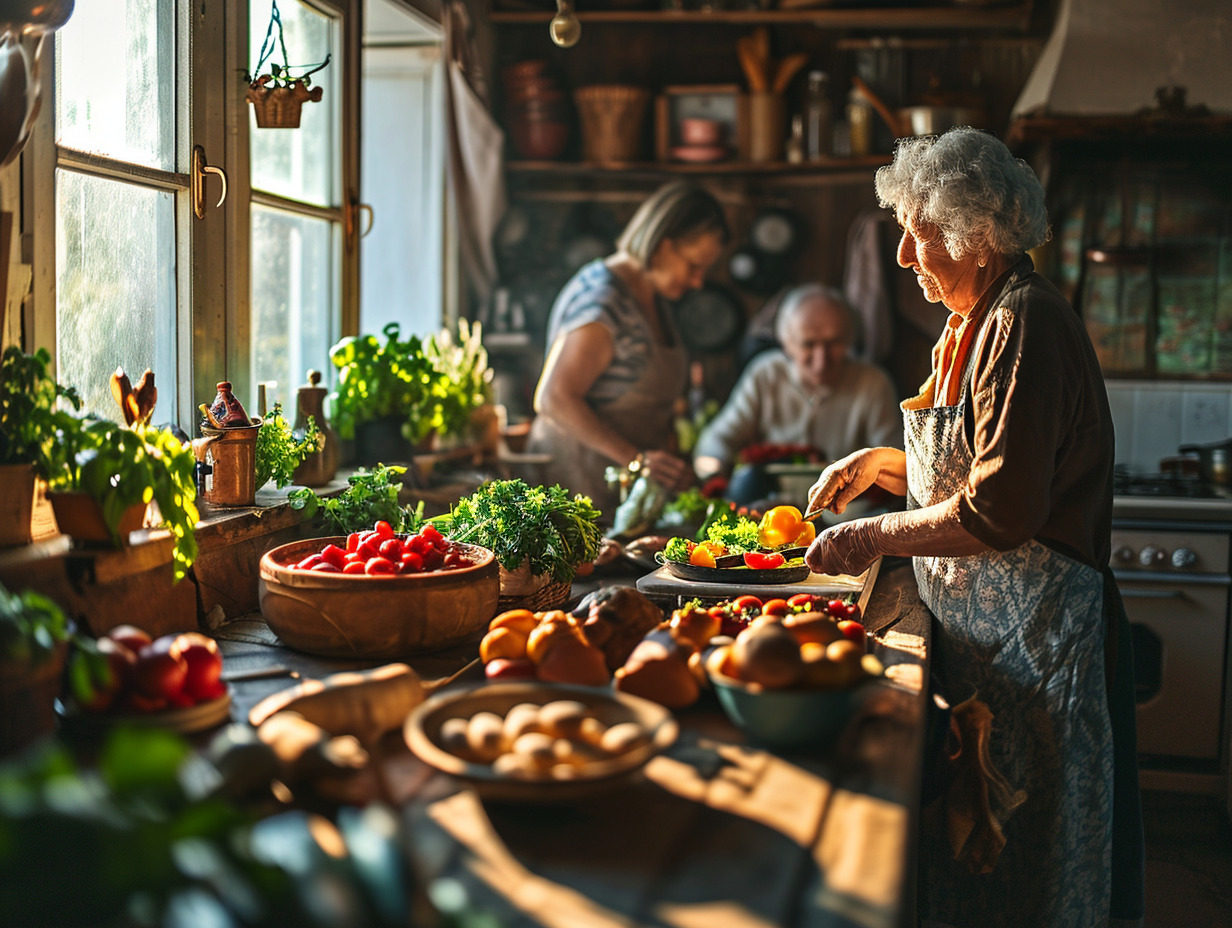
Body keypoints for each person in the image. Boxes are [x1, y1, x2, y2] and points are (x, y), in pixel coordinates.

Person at [803, 128, 1144, 928]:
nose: (901, 259)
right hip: (990, 649)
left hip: (1039, 641)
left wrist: (871, 537)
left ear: (975, 237)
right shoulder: (972, 322)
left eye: (915, 236)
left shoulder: (1026, 324)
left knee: (1036, 864)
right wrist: (880, 466)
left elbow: (1002, 509)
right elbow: (969, 466)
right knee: (986, 849)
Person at [526, 182, 730, 515]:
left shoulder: (651, 297)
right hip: (574, 491)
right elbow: (554, 398)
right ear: (662, 245)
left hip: (617, 494)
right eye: (694, 266)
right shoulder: (602, 302)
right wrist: (636, 461)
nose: (698, 282)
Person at [693, 283, 902, 484]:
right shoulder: (765, 374)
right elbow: (717, 440)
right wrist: (713, 474)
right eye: (808, 345)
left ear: (849, 340)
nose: (821, 361)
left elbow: (895, 460)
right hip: (773, 506)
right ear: (786, 344)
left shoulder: (873, 383)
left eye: (834, 343)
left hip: (848, 510)